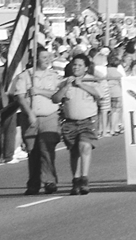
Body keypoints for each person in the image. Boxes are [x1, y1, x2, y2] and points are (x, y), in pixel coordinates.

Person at [52, 54, 101, 195]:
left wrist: (82, 84)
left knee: (84, 146)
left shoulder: (92, 81)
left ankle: (84, 179)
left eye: (80, 65)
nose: (76, 67)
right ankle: (76, 179)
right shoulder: (65, 82)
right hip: (70, 123)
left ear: (86, 67)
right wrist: (65, 87)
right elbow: (55, 99)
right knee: (74, 152)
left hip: (87, 121)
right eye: (74, 65)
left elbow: (98, 95)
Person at [15, 49, 62, 195]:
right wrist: (29, 113)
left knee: (47, 150)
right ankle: (34, 183)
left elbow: (58, 95)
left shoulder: (54, 76)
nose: (47, 59)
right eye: (44, 57)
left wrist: (39, 91)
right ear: (35, 59)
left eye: (49, 57)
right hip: (30, 118)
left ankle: (50, 181)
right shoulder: (25, 76)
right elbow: (20, 97)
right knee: (33, 151)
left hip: (49, 116)